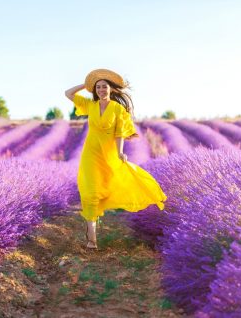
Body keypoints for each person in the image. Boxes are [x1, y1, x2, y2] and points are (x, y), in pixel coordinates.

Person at [65, 69, 167, 249]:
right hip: (90, 153)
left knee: (106, 188)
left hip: (109, 153)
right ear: (94, 90)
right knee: (89, 192)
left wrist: (120, 152)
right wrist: (86, 85)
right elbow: (68, 93)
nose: (101, 90)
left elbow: (120, 133)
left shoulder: (117, 108)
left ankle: (96, 219)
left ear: (110, 89)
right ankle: (91, 239)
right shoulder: (90, 105)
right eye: (98, 87)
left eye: (104, 87)